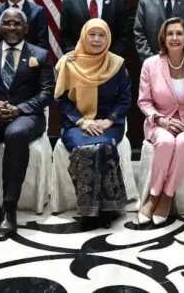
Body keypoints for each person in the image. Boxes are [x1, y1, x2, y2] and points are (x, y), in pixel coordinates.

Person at [0, 7, 54, 242]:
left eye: (17, 24)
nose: (12, 27)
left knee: (16, 134)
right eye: (7, 23)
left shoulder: (41, 55)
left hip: (26, 114)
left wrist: (18, 109)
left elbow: (47, 93)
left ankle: (9, 208)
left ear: (26, 28)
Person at [56, 19, 131, 228]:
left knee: (103, 146)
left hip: (109, 124)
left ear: (108, 39)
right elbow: (61, 100)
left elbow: (124, 99)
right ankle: (93, 212)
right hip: (76, 124)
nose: (97, 40)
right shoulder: (68, 62)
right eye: (92, 34)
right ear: (83, 36)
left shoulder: (116, 63)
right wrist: (82, 121)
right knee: (87, 148)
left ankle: (107, 209)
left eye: (102, 35)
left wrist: (109, 120)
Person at [137, 18, 184, 225]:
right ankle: (153, 196)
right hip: (160, 122)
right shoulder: (150, 65)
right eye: (170, 34)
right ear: (163, 38)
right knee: (166, 142)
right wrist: (161, 120)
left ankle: (166, 196)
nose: (174, 38)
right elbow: (144, 101)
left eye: (179, 34)